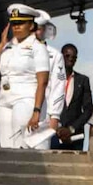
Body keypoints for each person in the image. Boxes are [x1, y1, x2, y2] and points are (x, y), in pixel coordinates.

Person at [0, 4, 49, 150]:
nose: (16, 27)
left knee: (20, 144)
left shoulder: (38, 48)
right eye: (13, 23)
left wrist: (37, 111)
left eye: (21, 23)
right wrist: (1, 44)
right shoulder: (8, 48)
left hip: (25, 98)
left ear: (31, 25)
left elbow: (42, 82)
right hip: (4, 99)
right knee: (6, 146)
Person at [33, 11, 66, 149]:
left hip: (43, 114)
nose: (36, 32)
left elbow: (59, 86)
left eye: (39, 29)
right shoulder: (17, 50)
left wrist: (55, 116)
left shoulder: (55, 55)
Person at [52, 44, 93, 151]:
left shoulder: (83, 80)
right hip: (54, 134)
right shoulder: (51, 79)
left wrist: (71, 129)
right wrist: (56, 128)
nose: (71, 59)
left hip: (75, 137)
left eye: (74, 57)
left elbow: (88, 109)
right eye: (67, 56)